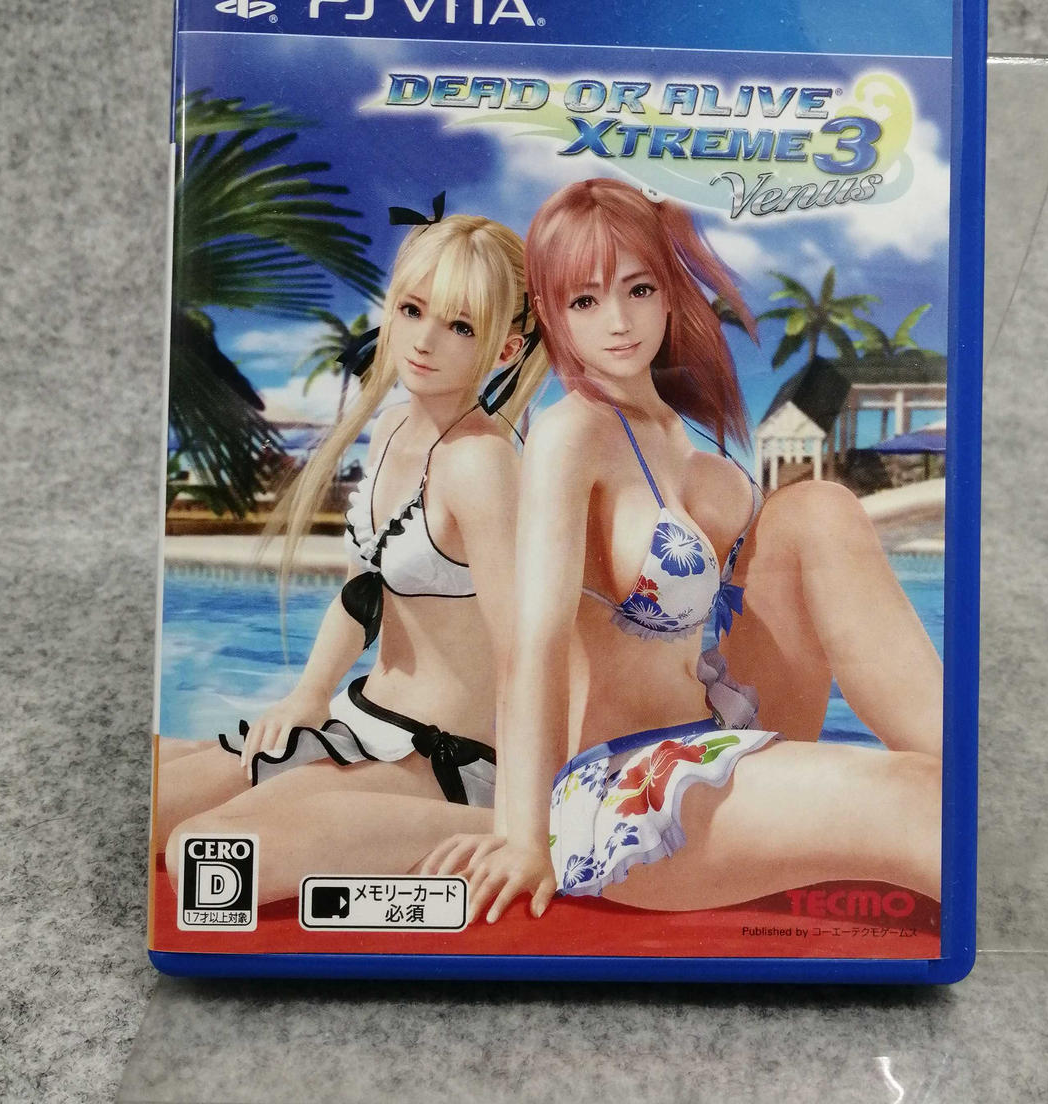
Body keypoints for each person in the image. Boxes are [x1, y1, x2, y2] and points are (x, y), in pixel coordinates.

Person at [425, 179, 941, 923]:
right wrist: (522, 838)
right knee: (918, 803)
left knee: (820, 509)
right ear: (550, 312)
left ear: (668, 292)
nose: (618, 322)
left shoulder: (684, 434)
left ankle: (957, 764)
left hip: (718, 735)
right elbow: (531, 646)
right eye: (585, 301)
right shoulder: (570, 434)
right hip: (624, 785)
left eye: (638, 289)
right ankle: (951, 800)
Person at [157, 211, 547, 905]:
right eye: (412, 310)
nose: (423, 340)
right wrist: (308, 694)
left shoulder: (481, 464)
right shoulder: (392, 425)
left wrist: (527, 824)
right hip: (357, 717)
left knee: (204, 856)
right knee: (149, 804)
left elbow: (525, 656)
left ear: (505, 350)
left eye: (460, 327)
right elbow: (363, 591)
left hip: (441, 758)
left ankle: (515, 827)